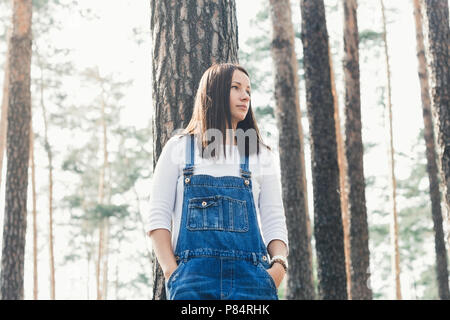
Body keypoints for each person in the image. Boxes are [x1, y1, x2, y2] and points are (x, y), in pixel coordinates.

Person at [146, 63, 289, 300]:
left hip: (252, 285)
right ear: (214, 91)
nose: (245, 96)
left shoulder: (260, 155)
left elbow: (275, 220)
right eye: (236, 88)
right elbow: (157, 216)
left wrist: (277, 271)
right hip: (192, 284)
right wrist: (173, 273)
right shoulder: (179, 149)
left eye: (249, 91)